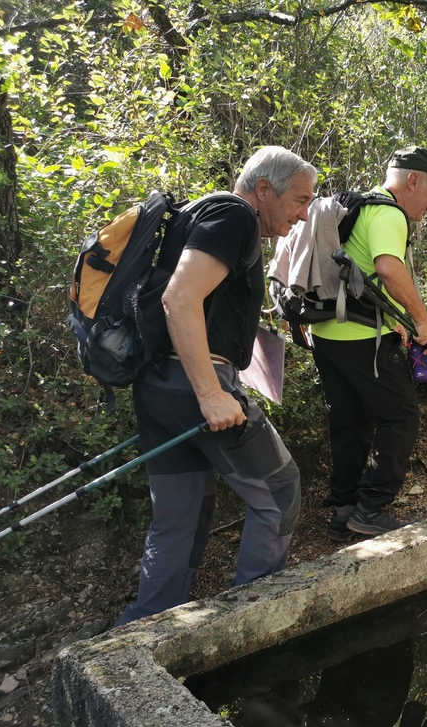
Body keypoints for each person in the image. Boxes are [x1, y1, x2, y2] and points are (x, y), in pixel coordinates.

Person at [117, 146, 316, 625]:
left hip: (157, 385)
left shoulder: (197, 212)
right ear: (263, 189)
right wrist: (210, 393)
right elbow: (179, 298)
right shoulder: (235, 216)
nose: (304, 215)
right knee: (280, 492)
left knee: (179, 515)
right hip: (194, 385)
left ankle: (145, 628)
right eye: (299, 201)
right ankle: (251, 623)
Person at [310, 146, 427, 539]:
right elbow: (388, 268)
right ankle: (372, 508)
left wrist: (396, 320)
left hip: (327, 333)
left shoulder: (360, 206)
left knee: (349, 420)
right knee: (400, 415)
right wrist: (424, 322)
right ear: (413, 180)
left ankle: (344, 511)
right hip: (362, 337)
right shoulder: (389, 212)